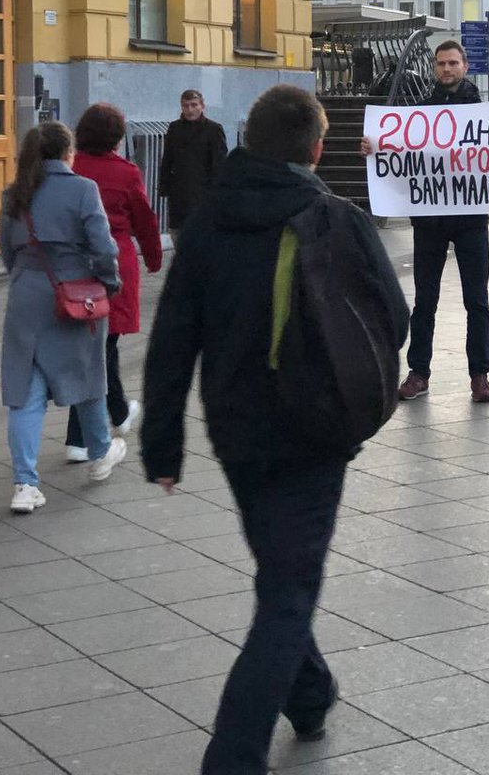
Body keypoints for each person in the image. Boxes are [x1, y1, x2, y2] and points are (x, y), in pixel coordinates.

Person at [142, 86, 409, 775]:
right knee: (288, 590)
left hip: (235, 430)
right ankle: (232, 757)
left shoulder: (204, 225)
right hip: (316, 432)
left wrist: (162, 443)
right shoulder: (337, 217)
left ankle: (312, 691)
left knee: (281, 573)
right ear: (316, 149)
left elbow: (172, 341)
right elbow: (395, 314)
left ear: (246, 141)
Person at [361, 40, 489, 403]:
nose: (446, 69)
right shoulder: (421, 112)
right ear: (435, 68)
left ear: (465, 66)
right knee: (424, 300)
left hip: (470, 219)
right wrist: (376, 148)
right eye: (441, 64)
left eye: (453, 63)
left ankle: (480, 375)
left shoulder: (487, 114)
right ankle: (418, 372)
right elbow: (402, 150)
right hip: (430, 220)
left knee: (477, 301)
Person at [0, 122, 126, 512]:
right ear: (68, 153)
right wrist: (109, 282)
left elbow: (6, 248)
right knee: (86, 375)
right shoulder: (83, 190)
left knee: (25, 392)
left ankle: (25, 483)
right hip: (76, 295)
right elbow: (104, 247)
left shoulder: (14, 194)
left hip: (26, 295)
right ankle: (100, 452)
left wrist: (24, 278)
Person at [64, 104, 162, 462]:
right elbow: (145, 218)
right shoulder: (125, 172)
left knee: (98, 347)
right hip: (113, 265)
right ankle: (81, 436)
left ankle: (118, 413)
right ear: (117, 137)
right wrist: (153, 257)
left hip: (72, 264)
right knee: (100, 348)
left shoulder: (71, 167)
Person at [158, 89, 227, 245]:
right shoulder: (174, 128)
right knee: (178, 234)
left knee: (200, 237)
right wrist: (164, 186)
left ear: (202, 106)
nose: (190, 110)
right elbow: (168, 159)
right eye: (185, 106)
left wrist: (216, 192)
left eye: (194, 105)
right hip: (179, 193)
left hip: (203, 193)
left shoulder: (213, 129)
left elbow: (219, 164)